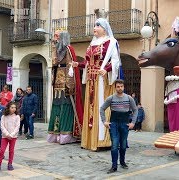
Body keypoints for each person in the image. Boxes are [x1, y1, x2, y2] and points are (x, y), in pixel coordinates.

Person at [72, 18, 124, 151]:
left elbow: (116, 61)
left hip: (102, 80)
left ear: (104, 29)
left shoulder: (111, 42)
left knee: (101, 106)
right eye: (94, 25)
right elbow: (88, 62)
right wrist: (79, 64)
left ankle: (103, 140)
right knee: (90, 108)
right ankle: (89, 140)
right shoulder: (92, 43)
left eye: (97, 25)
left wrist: (105, 70)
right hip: (91, 80)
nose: (94, 27)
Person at [47, 29, 84, 144]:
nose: (55, 38)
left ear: (63, 37)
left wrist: (70, 84)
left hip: (66, 83)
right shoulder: (57, 49)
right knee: (57, 106)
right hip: (58, 81)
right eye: (55, 36)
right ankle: (55, 134)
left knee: (67, 105)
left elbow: (71, 67)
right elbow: (54, 62)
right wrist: (54, 47)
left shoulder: (69, 49)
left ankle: (66, 134)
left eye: (57, 36)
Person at [100, 79, 138, 174]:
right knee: (114, 145)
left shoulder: (129, 98)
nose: (120, 88)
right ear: (115, 87)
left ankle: (122, 161)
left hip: (125, 124)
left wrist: (133, 122)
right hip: (114, 124)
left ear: (124, 87)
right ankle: (114, 166)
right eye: (118, 86)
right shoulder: (111, 98)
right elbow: (102, 108)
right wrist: (104, 121)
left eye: (121, 86)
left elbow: (135, 110)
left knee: (123, 145)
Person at [0, 102, 20, 171]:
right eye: (12, 107)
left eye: (15, 108)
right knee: (1, 150)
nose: (13, 109)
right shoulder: (3, 116)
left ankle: (10, 164)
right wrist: (7, 134)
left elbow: (17, 127)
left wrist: (12, 135)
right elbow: (2, 126)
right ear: (8, 108)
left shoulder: (17, 116)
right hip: (5, 136)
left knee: (11, 150)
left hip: (13, 137)